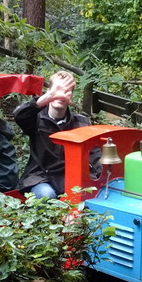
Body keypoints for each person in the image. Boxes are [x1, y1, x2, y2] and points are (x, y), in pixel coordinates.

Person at [13, 70, 98, 198]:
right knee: (46, 194)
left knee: (90, 195)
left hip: (69, 178)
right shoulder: (35, 118)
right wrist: (49, 96)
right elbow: (18, 115)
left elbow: (94, 153)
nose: (60, 95)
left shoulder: (81, 123)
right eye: (57, 90)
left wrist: (102, 179)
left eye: (66, 91)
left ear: (72, 96)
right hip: (40, 177)